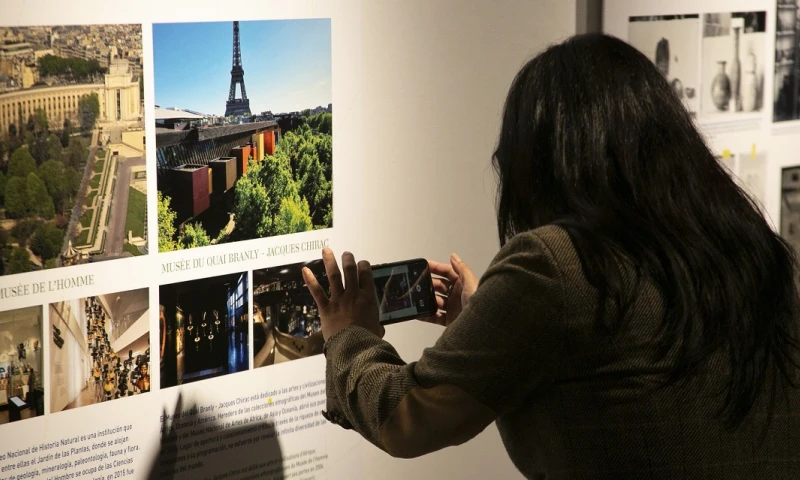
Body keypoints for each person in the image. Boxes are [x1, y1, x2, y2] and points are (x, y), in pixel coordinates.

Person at [301, 33, 800, 479]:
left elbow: (407, 417)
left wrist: (349, 335)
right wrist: (484, 318)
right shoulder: (748, 248)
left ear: (540, 159)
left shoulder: (553, 264)